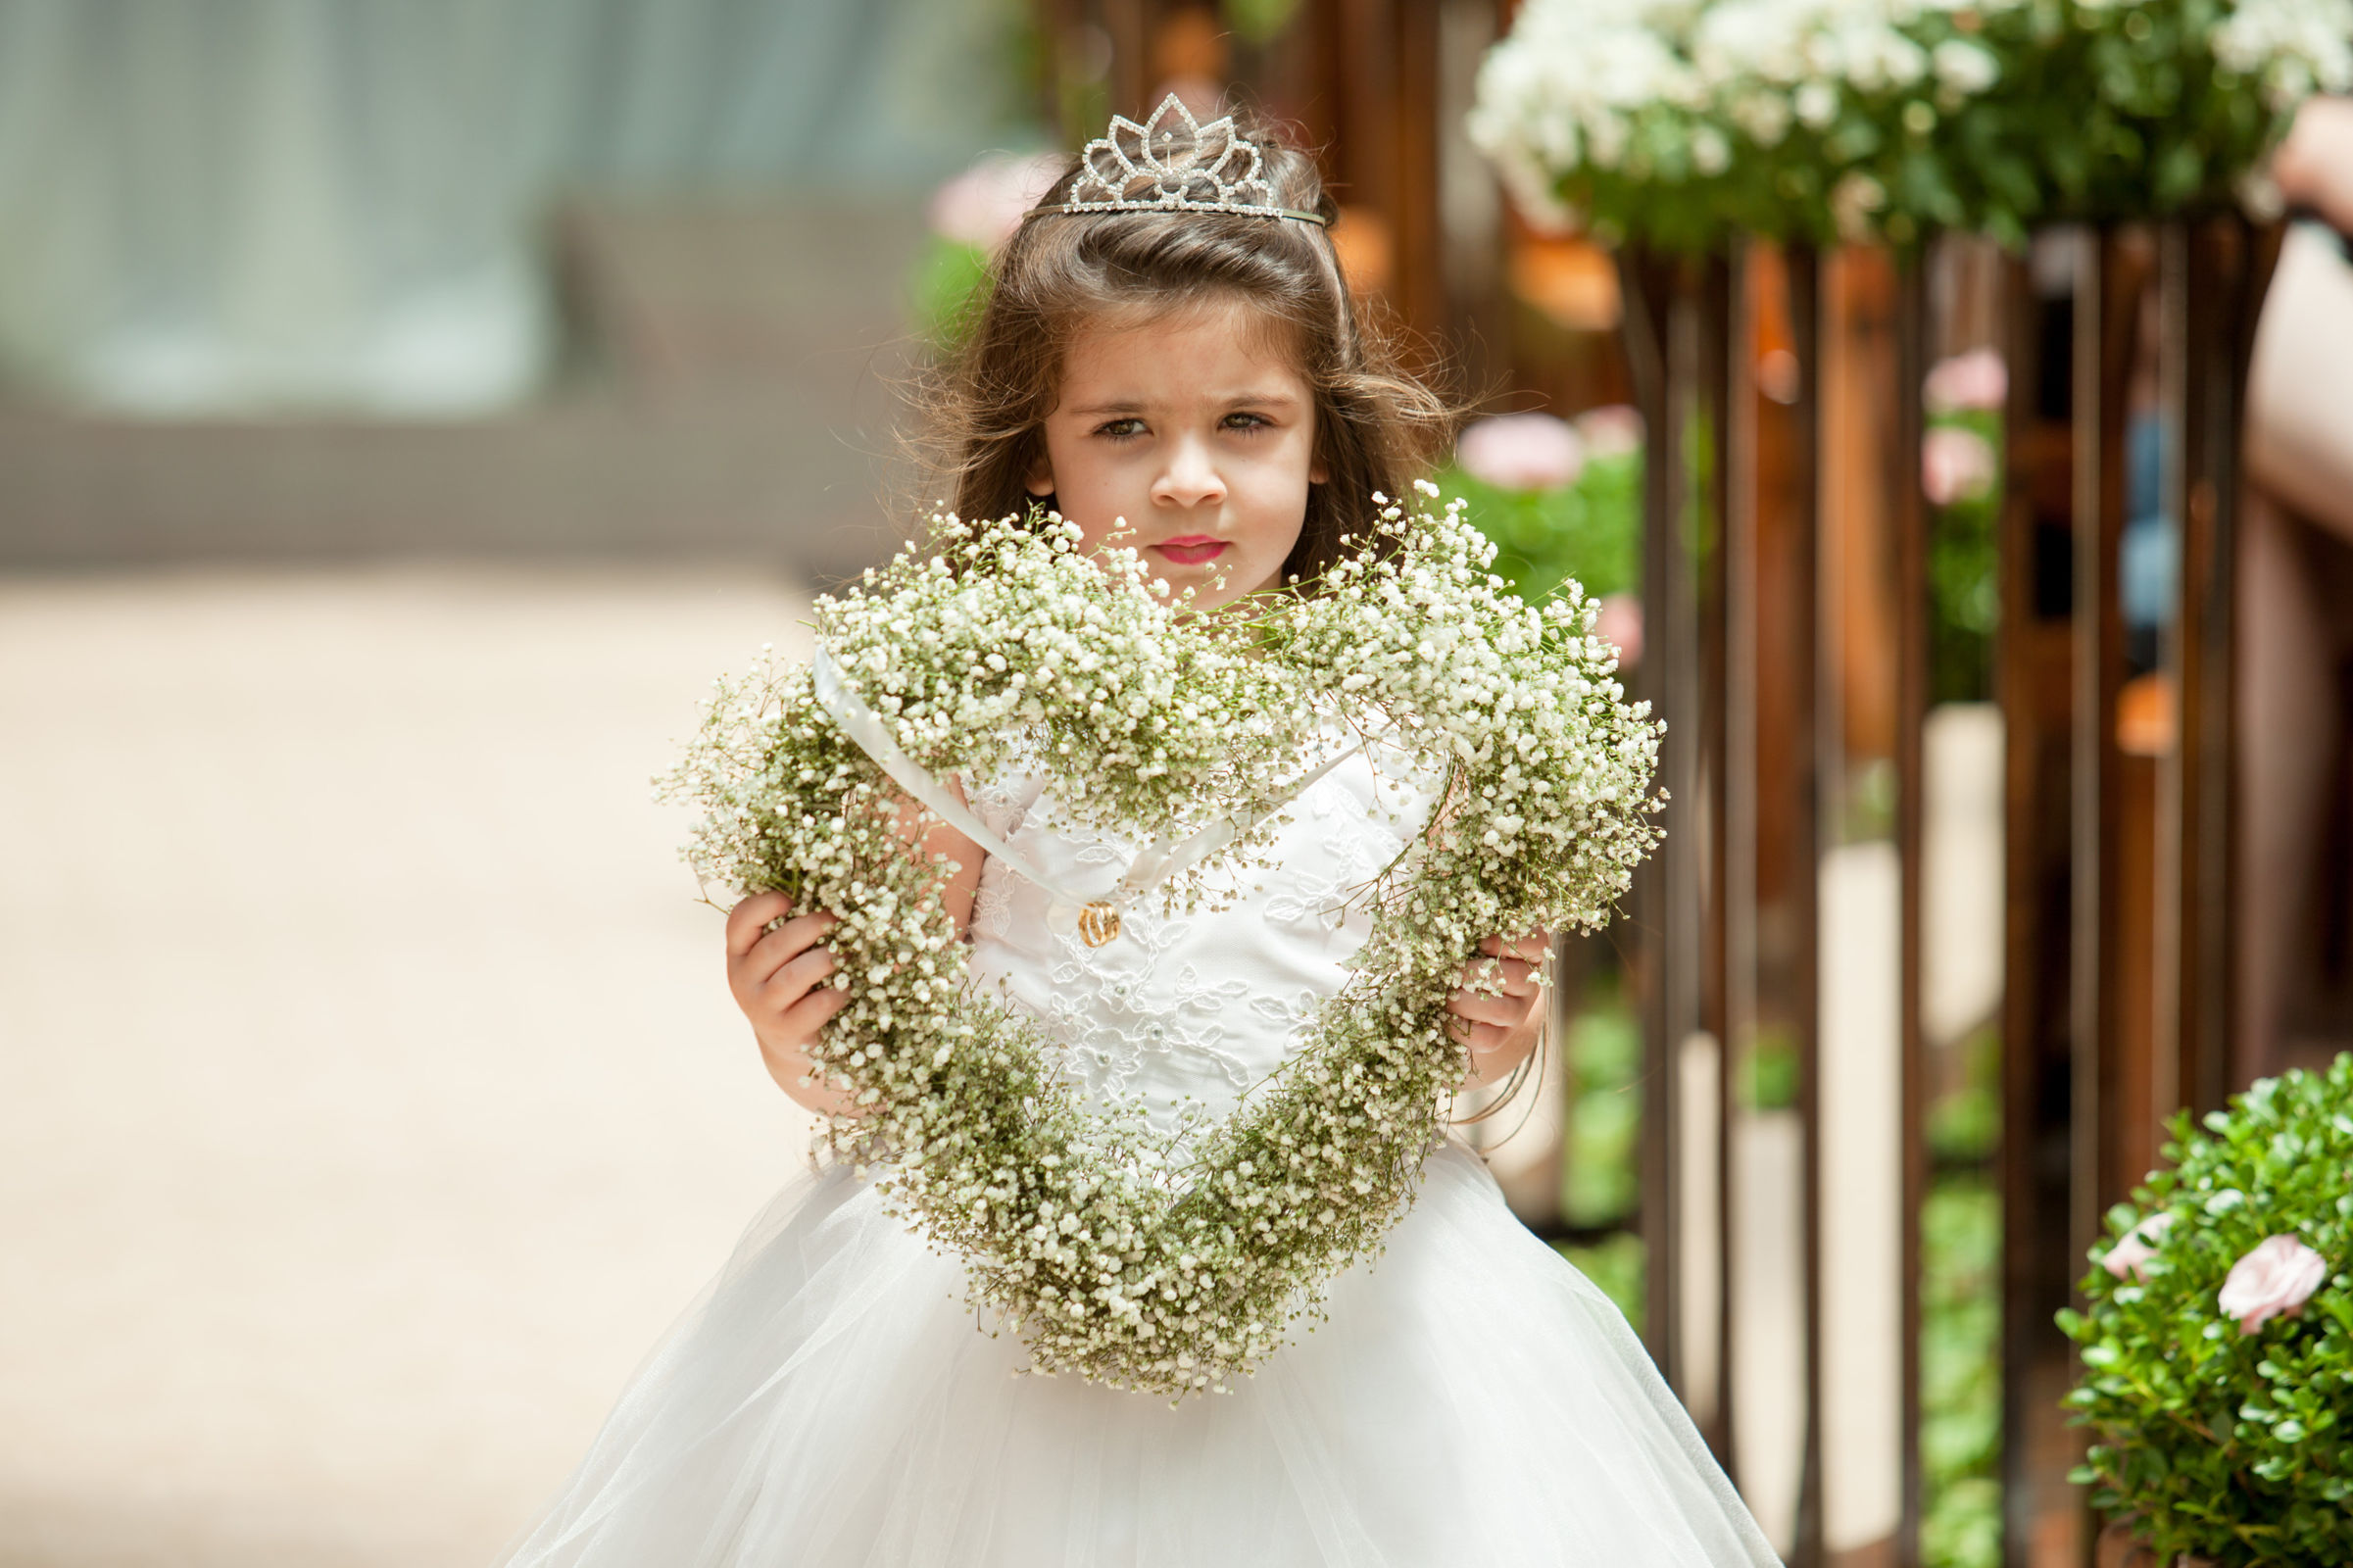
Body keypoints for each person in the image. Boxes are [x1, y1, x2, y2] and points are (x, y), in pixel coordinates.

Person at [496, 100, 1775, 1567]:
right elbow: (880, 1059)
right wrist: (794, 1030)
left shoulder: (1412, 710)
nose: (1187, 478)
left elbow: (1442, 1036)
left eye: (1244, 424)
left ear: (1317, 435)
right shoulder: (968, 704)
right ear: (1039, 454)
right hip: (985, 1289)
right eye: (1124, 429)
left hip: (1357, 1272)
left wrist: (1482, 1043)